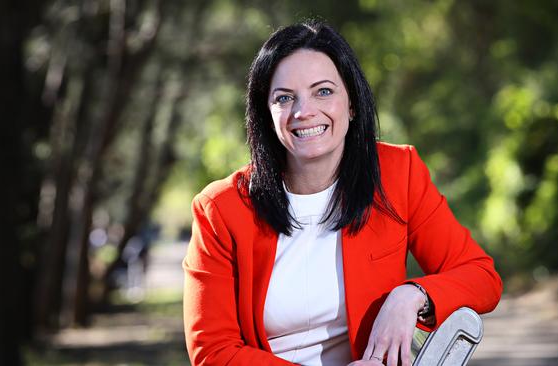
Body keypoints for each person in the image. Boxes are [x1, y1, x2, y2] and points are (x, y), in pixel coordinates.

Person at [183, 20, 502, 366]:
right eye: (284, 97)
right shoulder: (220, 209)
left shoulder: (397, 173)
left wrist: (412, 295)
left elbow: (481, 276)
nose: (303, 112)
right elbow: (212, 352)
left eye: (323, 91)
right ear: (267, 113)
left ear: (351, 104)